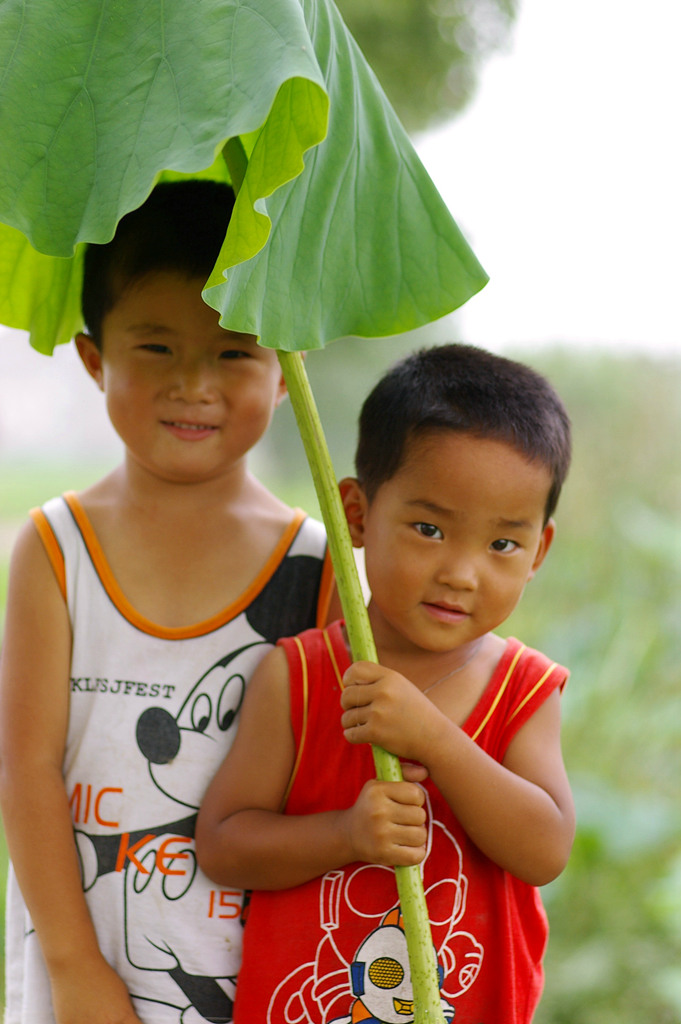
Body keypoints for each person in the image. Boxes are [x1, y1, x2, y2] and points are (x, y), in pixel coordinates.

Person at [0, 180, 335, 1024]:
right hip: (83, 982)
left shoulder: (322, 569)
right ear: (93, 358)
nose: (195, 383)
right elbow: (26, 768)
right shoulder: (52, 549)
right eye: (155, 347)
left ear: (286, 368)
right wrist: (76, 972)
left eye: (233, 353)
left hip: (265, 981)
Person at [195, 343, 576, 1024]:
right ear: (357, 514)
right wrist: (344, 835)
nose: (461, 573)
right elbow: (224, 844)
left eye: (502, 545)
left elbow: (543, 849)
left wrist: (435, 738)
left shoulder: (522, 689)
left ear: (539, 552)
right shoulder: (301, 676)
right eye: (429, 528)